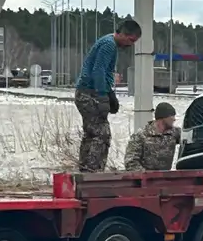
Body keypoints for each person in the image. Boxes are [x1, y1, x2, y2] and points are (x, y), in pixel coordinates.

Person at [75, 20, 141, 172]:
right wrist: (103, 96)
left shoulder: (107, 42)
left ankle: (85, 170)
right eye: (130, 40)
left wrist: (109, 92)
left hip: (86, 92)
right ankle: (93, 172)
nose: (131, 44)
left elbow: (100, 71)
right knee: (101, 134)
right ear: (123, 34)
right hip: (90, 93)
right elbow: (99, 70)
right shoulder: (109, 45)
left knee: (91, 134)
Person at [124, 102, 182, 171]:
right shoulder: (141, 135)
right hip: (146, 179)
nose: (174, 119)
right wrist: (147, 176)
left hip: (165, 178)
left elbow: (190, 138)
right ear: (163, 118)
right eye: (172, 116)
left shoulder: (174, 133)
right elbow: (131, 162)